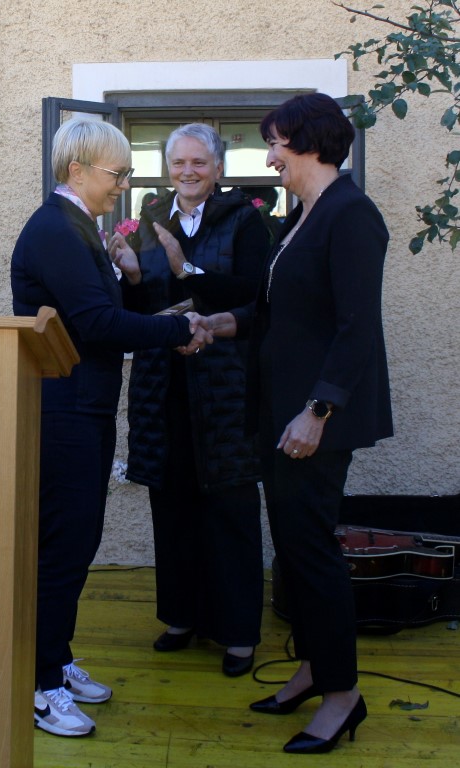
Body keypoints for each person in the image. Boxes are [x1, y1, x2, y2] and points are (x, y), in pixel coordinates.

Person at [10, 119, 211, 738]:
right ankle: (40, 685)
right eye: (116, 174)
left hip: (84, 408)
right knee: (63, 549)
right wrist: (180, 330)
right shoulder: (55, 229)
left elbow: (105, 313)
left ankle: (57, 658)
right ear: (78, 171)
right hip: (63, 410)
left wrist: (129, 278)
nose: (122, 187)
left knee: (77, 545)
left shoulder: (80, 230)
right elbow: (97, 326)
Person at [205, 92, 391, 754]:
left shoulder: (351, 215)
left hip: (314, 420)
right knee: (293, 547)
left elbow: (355, 327)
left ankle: (344, 694)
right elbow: (279, 314)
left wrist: (318, 410)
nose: (269, 154)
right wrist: (218, 323)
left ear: (310, 141)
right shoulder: (302, 216)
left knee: (311, 552)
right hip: (281, 414)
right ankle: (313, 669)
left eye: (277, 141)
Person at [109, 123, 271, 676]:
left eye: (199, 163)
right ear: (168, 169)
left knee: (229, 510)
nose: (188, 172)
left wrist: (189, 271)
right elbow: (142, 307)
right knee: (172, 505)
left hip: (225, 389)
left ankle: (238, 634)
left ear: (218, 169)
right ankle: (181, 617)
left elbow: (256, 296)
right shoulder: (150, 225)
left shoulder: (248, 221)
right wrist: (132, 277)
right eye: (179, 163)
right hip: (164, 386)